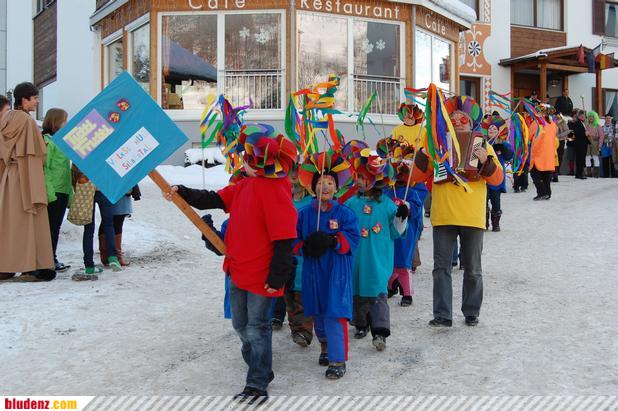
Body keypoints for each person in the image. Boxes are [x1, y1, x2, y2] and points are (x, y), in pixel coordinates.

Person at [164, 125, 298, 404]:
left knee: (257, 328)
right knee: (240, 325)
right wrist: (182, 191)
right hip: (237, 270)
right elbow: (214, 199)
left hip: (262, 275)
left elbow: (285, 239)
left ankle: (257, 383)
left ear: (256, 163)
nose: (243, 162)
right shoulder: (244, 186)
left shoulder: (276, 190)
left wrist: (276, 278)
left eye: (247, 158)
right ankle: (261, 367)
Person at [411, 97, 503, 327]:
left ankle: (471, 311)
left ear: (471, 124)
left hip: (472, 216)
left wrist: (486, 162)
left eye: (463, 119)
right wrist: (422, 153)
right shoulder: (437, 146)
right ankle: (442, 315)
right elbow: (416, 177)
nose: (458, 122)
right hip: (444, 215)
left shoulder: (483, 145)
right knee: (441, 268)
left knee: (473, 269)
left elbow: (497, 180)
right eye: (453, 119)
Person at [296, 151, 359, 379]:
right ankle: (325, 346)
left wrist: (333, 241)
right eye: (321, 182)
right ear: (313, 187)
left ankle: (337, 359)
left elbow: (353, 239)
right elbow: (294, 240)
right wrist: (304, 247)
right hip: (313, 272)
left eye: (330, 183)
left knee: (335, 313)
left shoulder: (345, 213)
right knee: (318, 313)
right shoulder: (304, 214)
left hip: (336, 272)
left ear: (336, 188)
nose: (325, 187)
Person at [346, 153, 408, 351]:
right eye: (357, 176)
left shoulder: (387, 205)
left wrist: (401, 218)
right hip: (356, 259)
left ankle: (380, 331)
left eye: (363, 177)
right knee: (358, 291)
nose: (358, 180)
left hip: (377, 259)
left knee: (377, 292)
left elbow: (396, 232)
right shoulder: (351, 204)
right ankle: (361, 323)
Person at [0, 82, 55, 282]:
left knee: (10, 223)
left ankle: (6, 265)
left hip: (9, 177)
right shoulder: (27, 121)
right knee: (28, 222)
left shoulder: (6, 118)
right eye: (35, 98)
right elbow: (38, 154)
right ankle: (30, 266)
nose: (37, 102)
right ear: (24, 99)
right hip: (26, 176)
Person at [383, 140, 425, 307]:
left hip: (406, 234)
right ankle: (390, 286)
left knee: (403, 264)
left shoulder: (412, 192)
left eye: (403, 174)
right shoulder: (388, 192)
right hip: (390, 233)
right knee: (390, 263)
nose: (400, 177)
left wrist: (407, 208)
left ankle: (407, 293)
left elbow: (416, 210)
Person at [71, 166, 122, 280]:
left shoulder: (83, 153)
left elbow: (74, 169)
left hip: (86, 187)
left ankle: (89, 265)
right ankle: (112, 257)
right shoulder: (105, 153)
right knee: (109, 225)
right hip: (105, 187)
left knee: (88, 228)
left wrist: (76, 186)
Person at [284, 170, 314, 347]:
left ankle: (304, 330)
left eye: (298, 171)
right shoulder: (283, 198)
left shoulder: (312, 202)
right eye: (290, 171)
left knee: (302, 293)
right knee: (288, 294)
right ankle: (295, 328)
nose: (294, 175)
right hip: (285, 253)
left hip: (304, 253)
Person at [42, 108, 73, 272]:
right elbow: (45, 168)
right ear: (56, 122)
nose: (67, 123)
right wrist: (50, 192)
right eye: (64, 120)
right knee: (51, 228)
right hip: (54, 191)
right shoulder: (48, 141)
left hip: (63, 190)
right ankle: (48, 260)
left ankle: (51, 257)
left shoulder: (61, 141)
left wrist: (70, 193)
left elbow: (65, 169)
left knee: (55, 227)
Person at [482, 113, 513, 229]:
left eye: (494, 129)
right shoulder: (482, 142)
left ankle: (496, 224)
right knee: (483, 200)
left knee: (496, 200)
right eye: (490, 128)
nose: (491, 130)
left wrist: (503, 148)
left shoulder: (503, 143)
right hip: (484, 176)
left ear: (498, 131)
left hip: (497, 176)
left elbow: (509, 156)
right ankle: (484, 223)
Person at [98, 185, 141, 267]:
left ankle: (105, 255)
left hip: (110, 192)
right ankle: (115, 256)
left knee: (107, 223)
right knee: (116, 223)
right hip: (119, 192)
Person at [530, 106, 558, 201]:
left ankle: (542, 193)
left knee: (535, 173)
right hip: (549, 153)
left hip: (539, 153)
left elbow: (529, 135)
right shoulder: (552, 124)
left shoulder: (536, 123)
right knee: (546, 175)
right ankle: (547, 193)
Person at [569, 110, 590, 180]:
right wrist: (585, 134)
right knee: (580, 159)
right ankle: (579, 174)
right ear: (579, 116)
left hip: (583, 144)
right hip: (580, 144)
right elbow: (577, 133)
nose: (584, 117)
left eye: (584, 116)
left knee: (581, 159)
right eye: (582, 116)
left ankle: (579, 173)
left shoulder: (582, 123)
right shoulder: (577, 123)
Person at [586, 111, 603, 177]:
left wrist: (600, 145)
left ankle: (596, 174)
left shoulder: (598, 126)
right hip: (587, 143)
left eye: (592, 117)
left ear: (595, 118)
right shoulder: (586, 126)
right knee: (587, 157)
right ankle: (589, 173)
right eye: (589, 116)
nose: (591, 118)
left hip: (595, 143)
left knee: (595, 157)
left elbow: (601, 136)